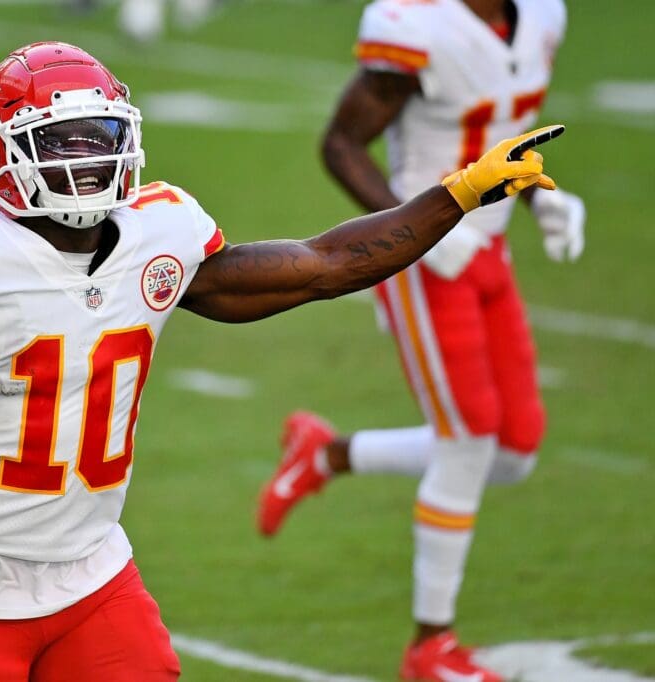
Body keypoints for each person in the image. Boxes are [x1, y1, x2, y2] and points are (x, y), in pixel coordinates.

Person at [0, 40, 562, 681]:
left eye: (98, 133)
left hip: (97, 574)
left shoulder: (156, 237)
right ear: (1, 154)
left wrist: (456, 195)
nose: (91, 157)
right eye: (63, 142)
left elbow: (323, 265)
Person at [256, 2, 584, 681]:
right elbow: (340, 144)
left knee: (515, 447)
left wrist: (539, 196)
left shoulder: (542, 13)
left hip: (488, 253)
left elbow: (500, 132)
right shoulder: (417, 23)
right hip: (423, 260)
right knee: (468, 440)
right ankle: (430, 647)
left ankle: (327, 454)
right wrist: (415, 234)